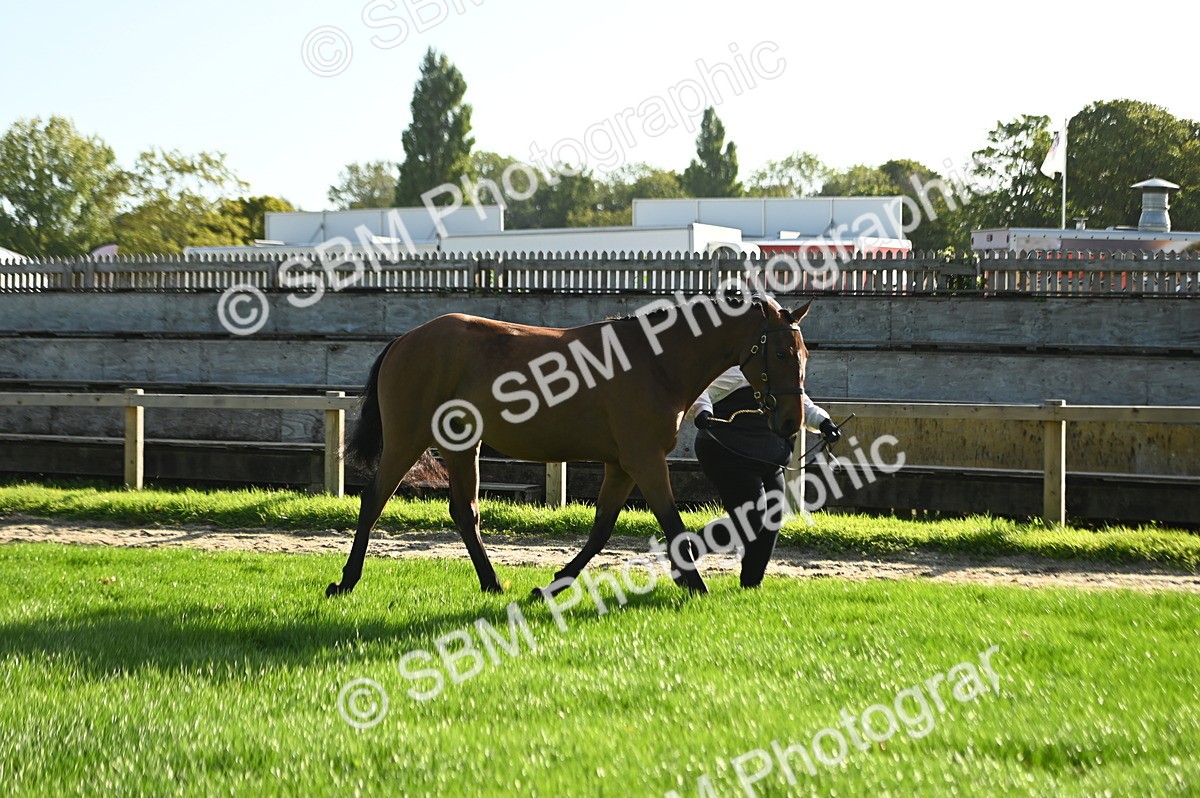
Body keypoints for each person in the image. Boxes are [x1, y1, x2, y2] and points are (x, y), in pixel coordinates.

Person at [686, 365, 840, 588]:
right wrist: (703, 411)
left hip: (768, 456)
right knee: (751, 520)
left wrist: (825, 424)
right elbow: (700, 392)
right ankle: (689, 550)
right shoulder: (729, 367)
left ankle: (751, 585)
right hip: (728, 450)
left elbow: (801, 403)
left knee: (773, 518)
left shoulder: (777, 371)